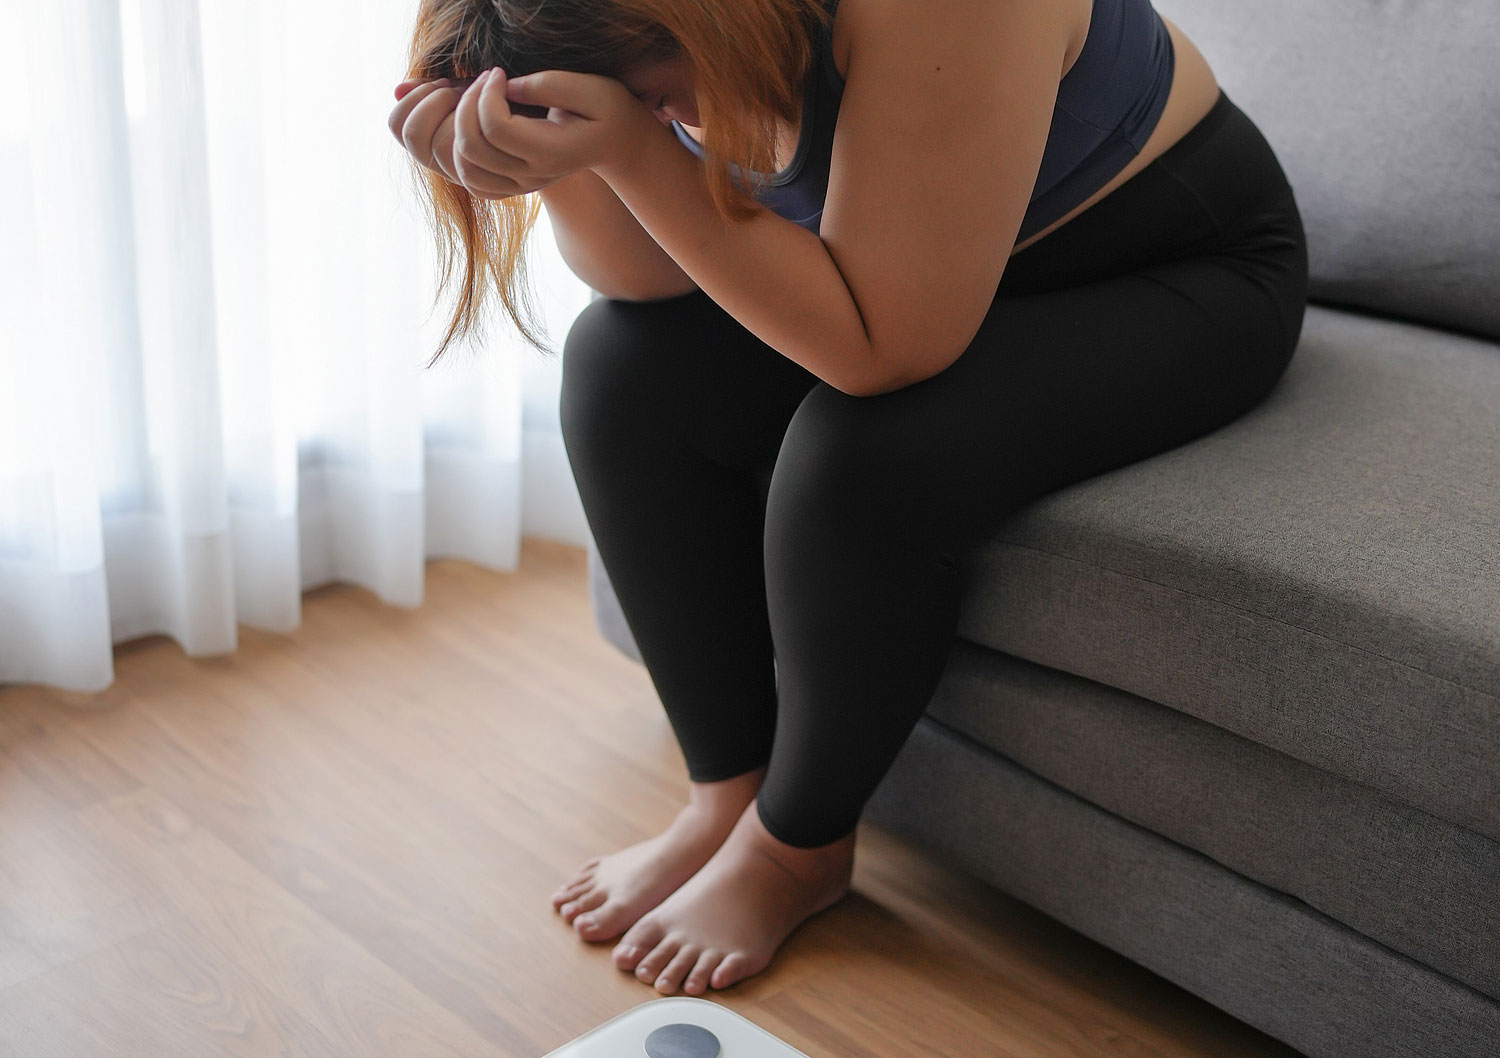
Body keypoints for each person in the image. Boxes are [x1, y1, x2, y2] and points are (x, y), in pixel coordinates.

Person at [388, 0, 1308, 998]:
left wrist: (638, 150)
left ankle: (794, 849)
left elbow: (883, 350)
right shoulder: (659, 35)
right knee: (620, 369)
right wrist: (564, 153)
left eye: (659, 92)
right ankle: (725, 794)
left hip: (1172, 270)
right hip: (941, 272)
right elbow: (644, 286)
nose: (680, 121)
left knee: (863, 451)